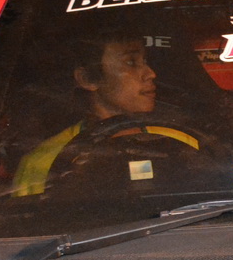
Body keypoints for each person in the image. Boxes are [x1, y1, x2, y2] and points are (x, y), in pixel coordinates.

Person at [14, 36, 199, 195]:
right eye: (131, 62)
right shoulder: (43, 163)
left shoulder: (184, 142)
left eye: (145, 61)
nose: (151, 74)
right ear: (87, 79)